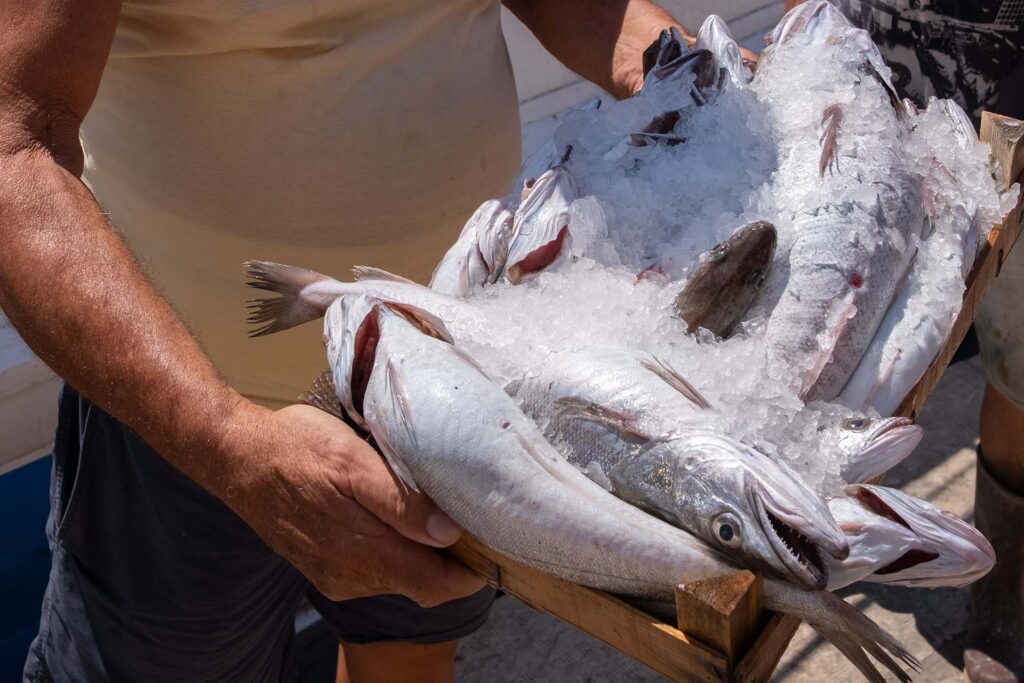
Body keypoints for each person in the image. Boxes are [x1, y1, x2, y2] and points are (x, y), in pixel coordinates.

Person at [0, 2, 716, 681]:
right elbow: (14, 146)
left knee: (410, 646)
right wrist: (230, 445)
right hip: (184, 424)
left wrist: (683, 73)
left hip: (455, 392)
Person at [832, 2, 1024, 680]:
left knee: (1018, 372)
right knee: (844, 352)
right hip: (875, 111)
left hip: (1011, 125)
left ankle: (1002, 599)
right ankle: (808, 534)